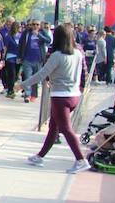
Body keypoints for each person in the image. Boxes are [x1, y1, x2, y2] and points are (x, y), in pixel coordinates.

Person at [22, 23, 90, 173]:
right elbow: (83, 72)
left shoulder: (57, 56)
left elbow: (41, 74)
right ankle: (40, 156)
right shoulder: (78, 54)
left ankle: (80, 159)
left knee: (65, 129)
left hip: (60, 96)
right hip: (73, 95)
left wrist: (22, 85)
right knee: (54, 127)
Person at [18, 20, 50, 101]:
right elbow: (21, 44)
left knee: (36, 78)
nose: (35, 26)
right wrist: (19, 56)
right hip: (27, 59)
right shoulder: (26, 33)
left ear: (40, 26)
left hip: (38, 59)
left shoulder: (42, 32)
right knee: (28, 77)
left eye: (37, 24)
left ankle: (34, 95)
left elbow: (48, 40)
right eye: (33, 24)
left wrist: (39, 35)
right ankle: (27, 94)